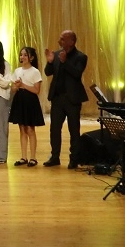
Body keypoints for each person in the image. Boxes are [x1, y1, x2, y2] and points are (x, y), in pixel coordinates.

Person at [43, 30, 88, 168]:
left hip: (72, 99)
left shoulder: (81, 57)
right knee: (55, 129)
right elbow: (48, 72)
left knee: (74, 130)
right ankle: (54, 157)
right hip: (57, 98)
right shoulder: (57, 54)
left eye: (62, 39)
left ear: (71, 42)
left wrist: (65, 62)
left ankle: (74, 159)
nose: (59, 41)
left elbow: (77, 74)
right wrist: (50, 62)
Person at [9, 47, 45, 166]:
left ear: (32, 57)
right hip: (19, 100)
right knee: (22, 128)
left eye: (25, 55)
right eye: (21, 54)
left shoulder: (35, 71)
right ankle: (23, 157)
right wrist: (16, 86)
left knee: (30, 129)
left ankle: (33, 157)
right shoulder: (17, 71)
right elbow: (13, 89)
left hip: (30, 101)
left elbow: (36, 90)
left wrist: (23, 85)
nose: (22, 57)